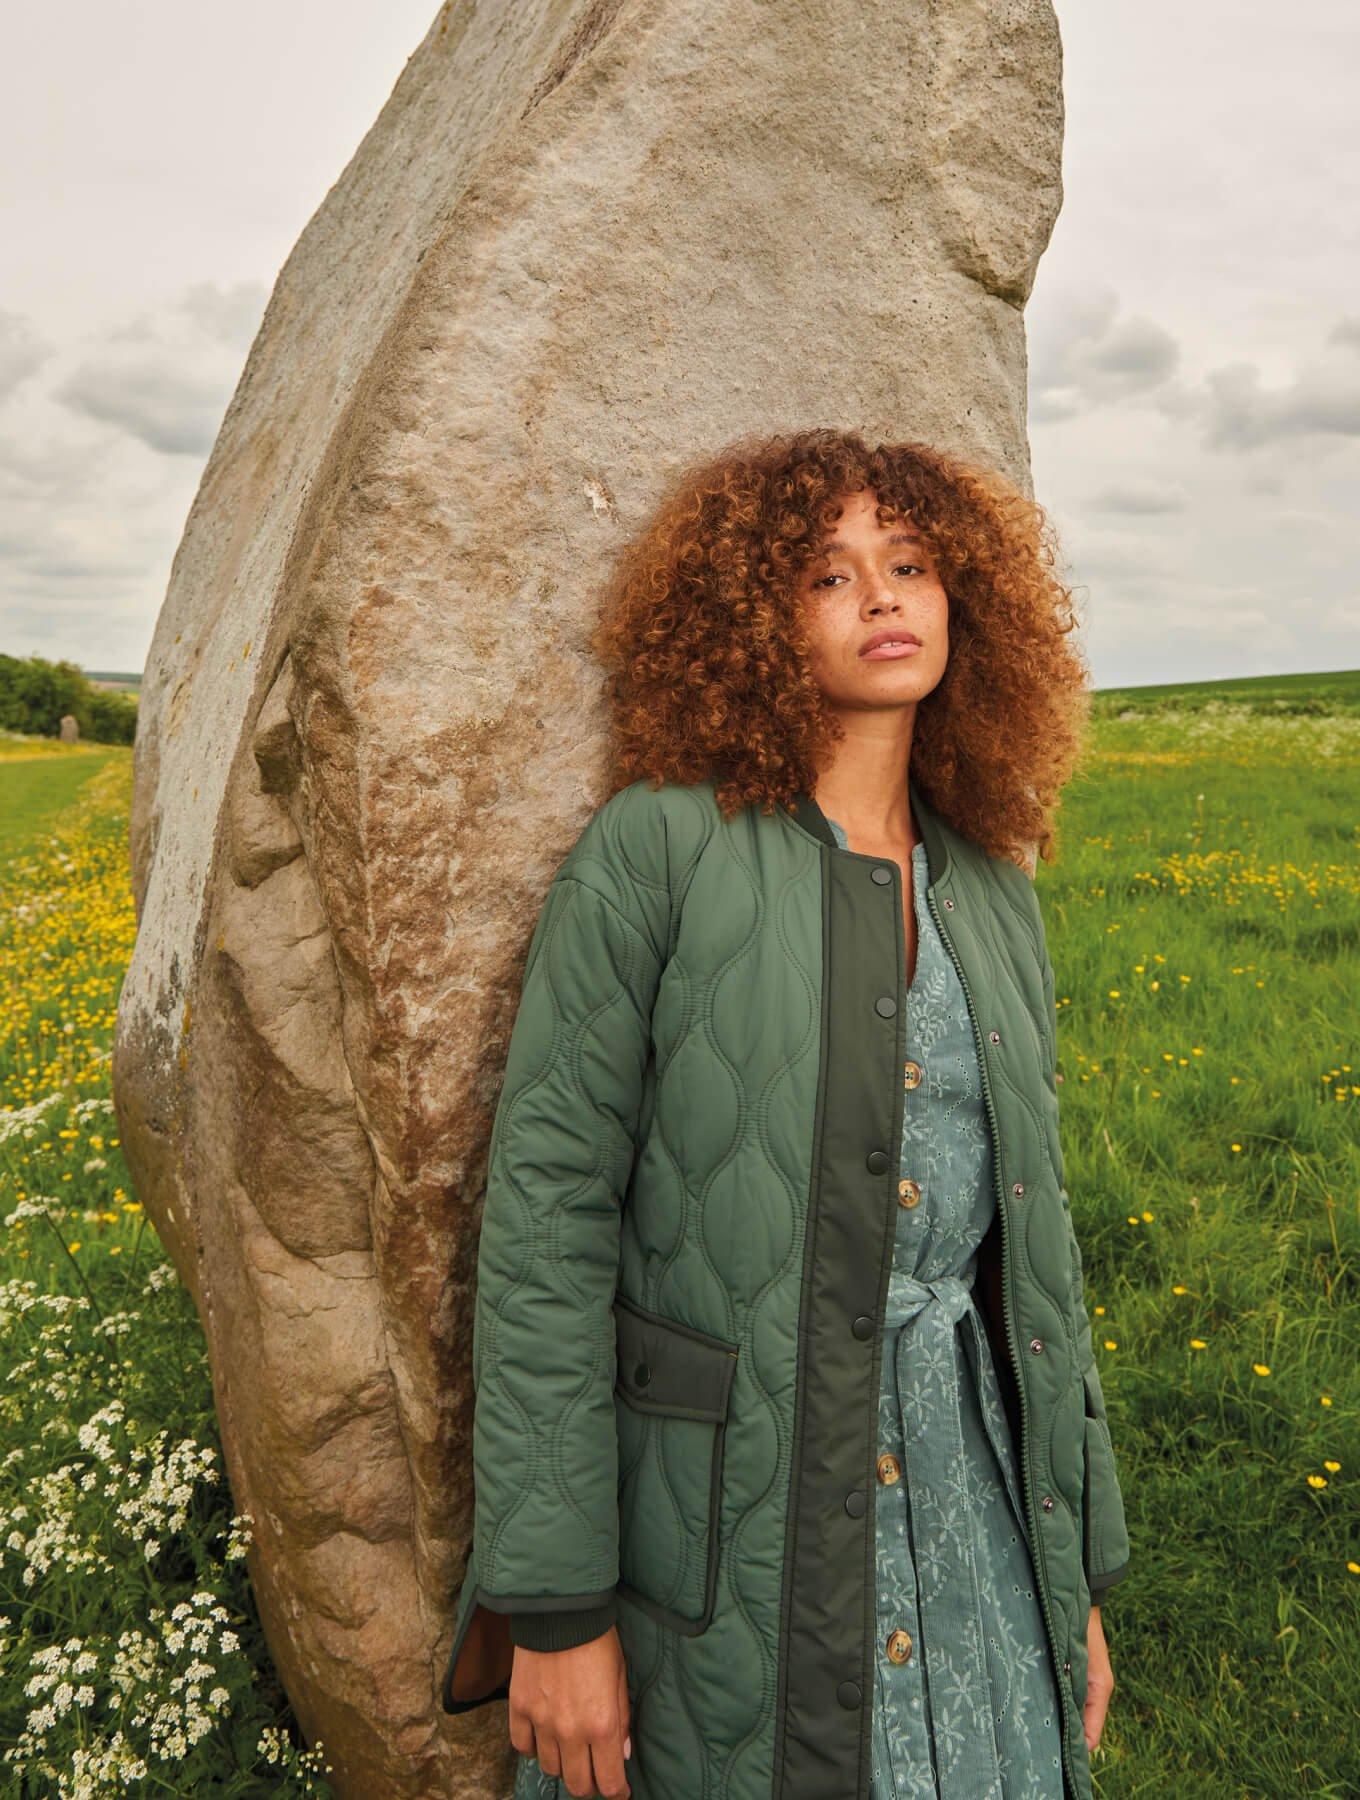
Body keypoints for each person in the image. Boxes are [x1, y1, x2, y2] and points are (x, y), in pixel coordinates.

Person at [440, 428, 1132, 1800]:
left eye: (912, 564)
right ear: (751, 619)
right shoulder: (656, 850)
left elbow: (1034, 1259)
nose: (884, 597)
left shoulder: (994, 881)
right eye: (829, 575)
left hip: (973, 1506)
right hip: (728, 1531)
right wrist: (557, 1608)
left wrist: (1072, 1580)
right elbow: (545, 1230)